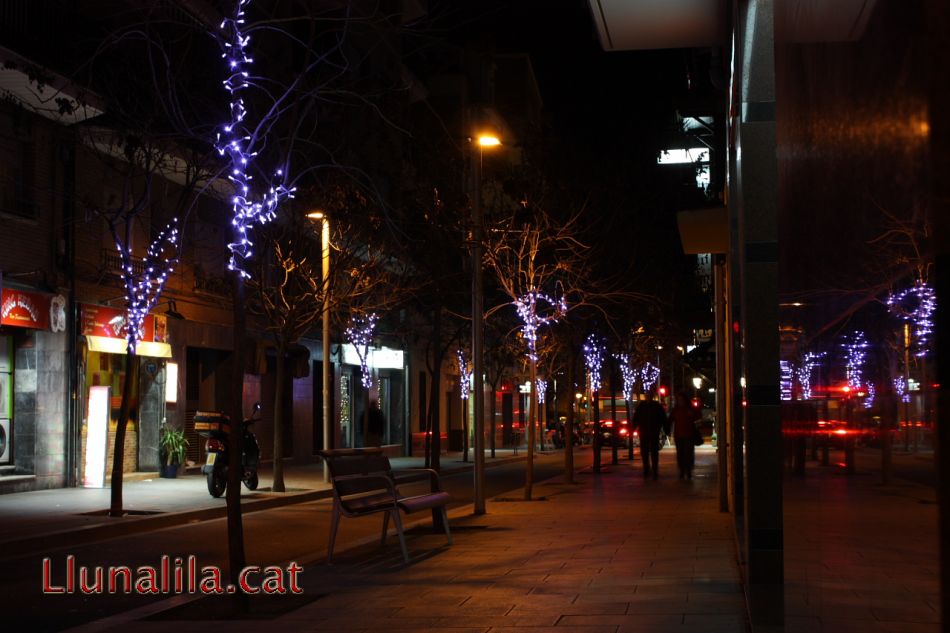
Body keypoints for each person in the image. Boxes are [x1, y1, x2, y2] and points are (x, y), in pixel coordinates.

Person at [632, 390, 669, 480]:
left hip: (653, 432)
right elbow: (636, 418)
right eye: (647, 395)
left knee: (653, 452)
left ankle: (654, 469)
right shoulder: (643, 406)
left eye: (649, 395)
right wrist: (634, 427)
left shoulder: (654, 406)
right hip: (645, 432)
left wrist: (665, 428)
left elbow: (663, 419)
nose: (648, 397)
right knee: (645, 452)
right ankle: (647, 468)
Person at [669, 392, 701, 479]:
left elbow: (698, 418)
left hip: (688, 435)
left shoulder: (689, 409)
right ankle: (682, 470)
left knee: (688, 453)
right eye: (679, 400)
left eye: (681, 400)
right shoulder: (676, 409)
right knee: (681, 454)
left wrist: (693, 415)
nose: (680, 401)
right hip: (679, 435)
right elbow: (670, 420)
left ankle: (688, 470)